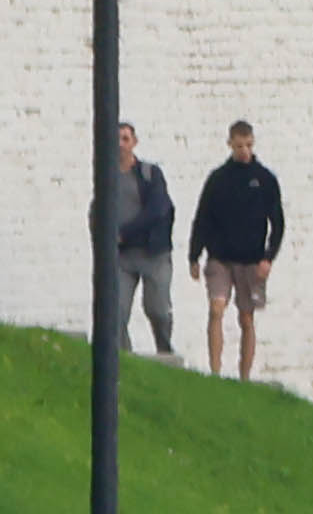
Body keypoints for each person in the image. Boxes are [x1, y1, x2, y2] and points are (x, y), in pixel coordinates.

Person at [187, 120, 286, 383]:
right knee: (216, 308)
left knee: (246, 317)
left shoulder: (265, 179)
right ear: (230, 144)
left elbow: (277, 222)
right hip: (220, 256)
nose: (244, 150)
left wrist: (269, 257)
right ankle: (215, 371)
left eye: (248, 145)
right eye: (239, 145)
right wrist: (194, 255)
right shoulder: (218, 179)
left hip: (252, 259)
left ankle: (245, 376)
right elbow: (203, 217)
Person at [99, 117, 176, 357]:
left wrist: (123, 234)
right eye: (117, 139)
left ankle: (165, 351)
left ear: (134, 142)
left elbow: (157, 210)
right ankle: (124, 359)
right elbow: (97, 210)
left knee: (158, 310)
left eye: (125, 139)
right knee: (117, 313)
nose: (120, 144)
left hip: (154, 254)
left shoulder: (150, 174)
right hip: (123, 257)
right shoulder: (106, 178)